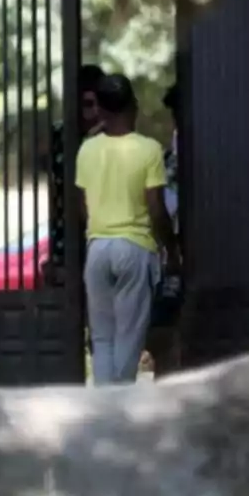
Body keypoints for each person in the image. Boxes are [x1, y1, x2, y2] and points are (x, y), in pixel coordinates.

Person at [75, 74, 178, 385]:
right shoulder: (148, 150)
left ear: (101, 111)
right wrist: (171, 250)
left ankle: (104, 407)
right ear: (133, 107)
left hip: (97, 249)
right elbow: (157, 208)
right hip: (134, 248)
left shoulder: (87, 150)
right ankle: (121, 405)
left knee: (102, 338)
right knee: (129, 337)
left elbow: (83, 205)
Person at [43, 64, 106, 286]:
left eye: (100, 103)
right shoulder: (60, 135)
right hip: (65, 234)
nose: (95, 111)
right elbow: (53, 190)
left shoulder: (110, 137)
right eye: (88, 104)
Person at [145, 83, 183, 377]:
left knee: (167, 335)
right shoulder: (169, 159)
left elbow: (162, 208)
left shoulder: (169, 161)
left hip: (174, 260)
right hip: (176, 261)